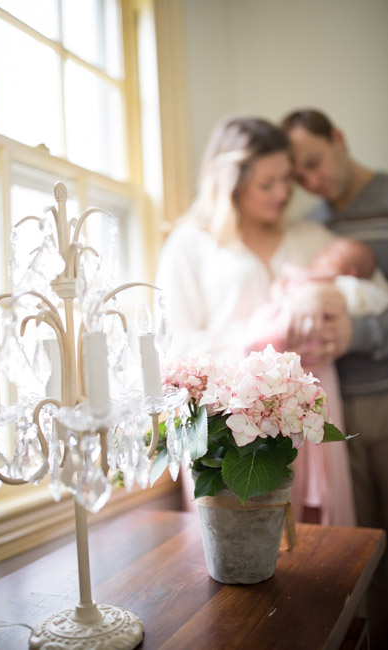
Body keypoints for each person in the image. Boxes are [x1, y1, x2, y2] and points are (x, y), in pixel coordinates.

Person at [156, 115, 355, 527]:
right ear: (230, 182)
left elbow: (370, 291)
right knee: (242, 550)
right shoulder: (190, 245)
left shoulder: (309, 237)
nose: (283, 194)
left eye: (287, 180)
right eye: (268, 184)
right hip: (231, 429)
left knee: (322, 552)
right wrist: (262, 344)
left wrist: (335, 306)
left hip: (310, 420)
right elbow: (175, 347)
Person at [282, 108, 388, 649]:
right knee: (365, 545)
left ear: (339, 139)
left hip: (385, 397)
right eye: (299, 175)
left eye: (314, 162)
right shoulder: (314, 227)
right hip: (341, 408)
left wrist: (362, 332)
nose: (310, 180)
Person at [245, 237, 388, 354]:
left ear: (349, 272)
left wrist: (288, 270)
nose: (323, 252)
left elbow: (302, 275)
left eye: (332, 253)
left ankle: (259, 345)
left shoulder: (336, 277)